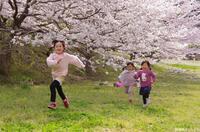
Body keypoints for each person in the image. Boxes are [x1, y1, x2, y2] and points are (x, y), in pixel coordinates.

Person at [46, 40, 85, 109]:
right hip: (54, 74)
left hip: (62, 75)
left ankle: (53, 103)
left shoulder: (66, 56)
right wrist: (55, 61)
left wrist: (82, 65)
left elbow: (75, 59)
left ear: (63, 47)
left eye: (60, 46)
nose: (58, 48)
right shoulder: (52, 55)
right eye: (56, 46)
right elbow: (48, 62)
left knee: (52, 86)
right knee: (59, 89)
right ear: (54, 48)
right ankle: (65, 100)